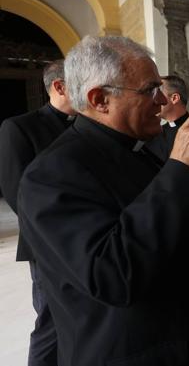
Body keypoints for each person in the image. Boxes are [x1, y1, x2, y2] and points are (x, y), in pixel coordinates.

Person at [17, 35, 189, 366]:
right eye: (149, 90)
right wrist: (179, 169)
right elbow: (112, 273)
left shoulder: (132, 149)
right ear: (100, 99)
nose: (161, 100)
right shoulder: (51, 174)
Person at [0, 60, 75, 366]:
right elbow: (16, 191)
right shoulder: (19, 127)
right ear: (58, 86)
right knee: (51, 322)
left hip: (87, 239)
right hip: (47, 243)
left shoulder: (86, 124)